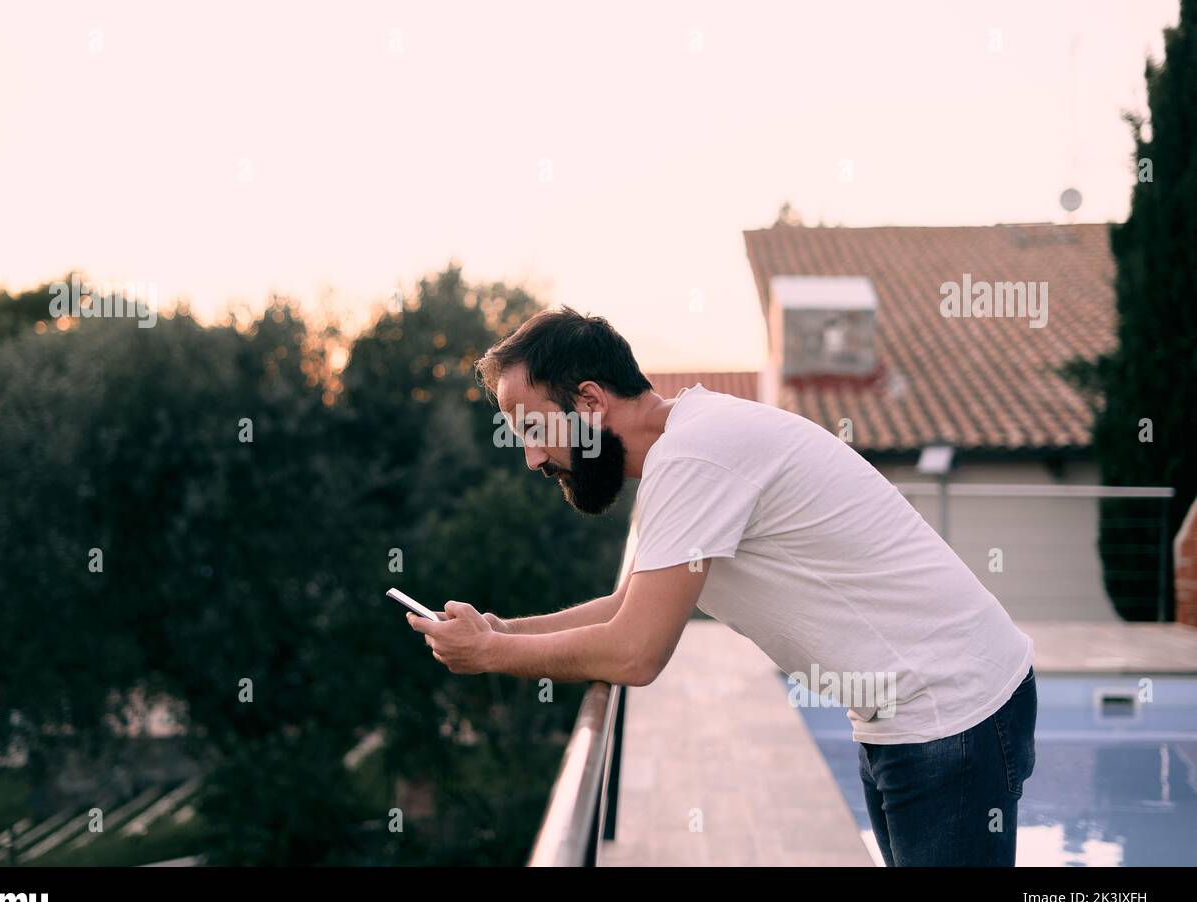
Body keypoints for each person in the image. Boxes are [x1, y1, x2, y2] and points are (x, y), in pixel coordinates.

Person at [407, 305, 1037, 866]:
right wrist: (504, 629)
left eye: (535, 431)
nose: (533, 459)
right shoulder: (684, 445)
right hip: (915, 712)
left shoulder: (692, 457)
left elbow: (635, 651)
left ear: (591, 403)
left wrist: (490, 655)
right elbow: (630, 602)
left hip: (949, 713)